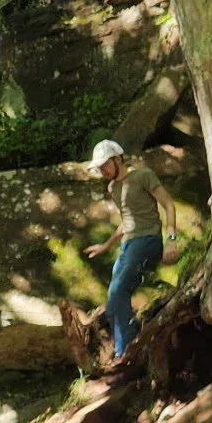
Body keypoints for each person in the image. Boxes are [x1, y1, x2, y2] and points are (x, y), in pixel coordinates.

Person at [87, 138, 178, 360]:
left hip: (147, 240)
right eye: (100, 167)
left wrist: (171, 239)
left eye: (106, 165)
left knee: (119, 290)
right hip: (128, 244)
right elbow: (126, 221)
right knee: (112, 302)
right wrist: (106, 245)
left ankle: (127, 352)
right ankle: (130, 345)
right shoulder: (113, 188)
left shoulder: (143, 175)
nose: (103, 171)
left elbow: (169, 205)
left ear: (118, 159)